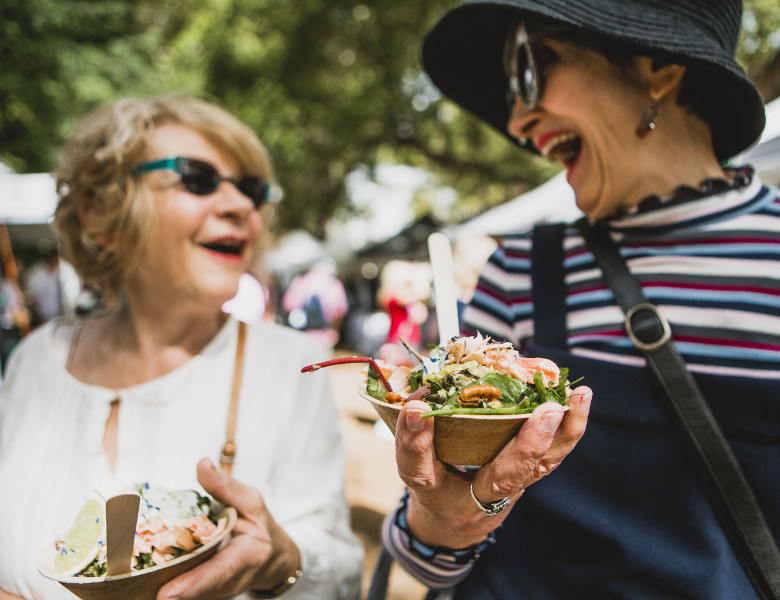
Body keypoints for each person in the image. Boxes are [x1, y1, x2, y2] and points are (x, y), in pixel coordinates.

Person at [380, 0, 779, 598]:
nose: (517, 121)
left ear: (659, 66)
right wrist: (445, 516)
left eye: (530, 70)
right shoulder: (520, 269)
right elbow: (432, 560)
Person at [0, 95, 363, 599]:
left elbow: (342, 575)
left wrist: (279, 559)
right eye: (197, 178)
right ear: (100, 212)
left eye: (252, 190)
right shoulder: (35, 361)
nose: (240, 206)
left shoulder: (290, 368)